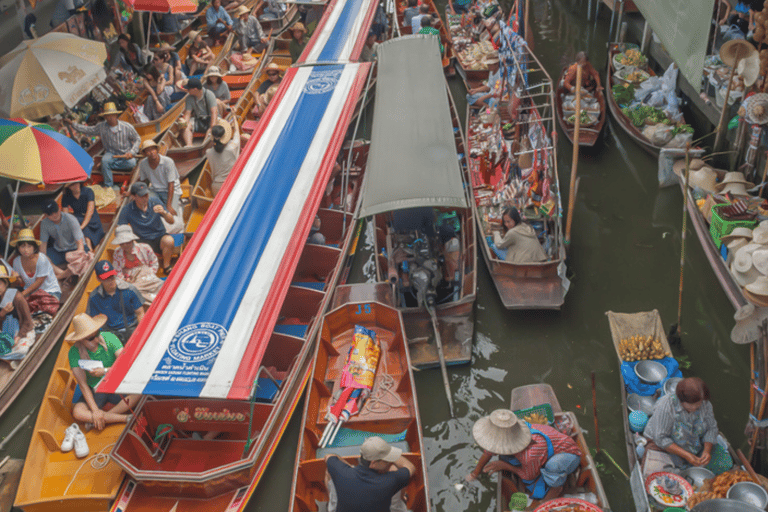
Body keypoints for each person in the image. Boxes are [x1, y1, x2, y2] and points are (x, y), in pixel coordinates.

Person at [466, 409, 582, 501]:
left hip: (568, 455)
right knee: (520, 461)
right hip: (543, 451)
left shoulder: (530, 453)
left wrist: (504, 465)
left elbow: (528, 476)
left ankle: (557, 488)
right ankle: (540, 462)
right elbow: (488, 451)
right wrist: (475, 473)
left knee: (552, 466)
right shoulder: (512, 430)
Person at [66, 312, 140, 432]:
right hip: (95, 388)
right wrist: (95, 410)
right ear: (80, 340)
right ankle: (124, 418)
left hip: (115, 381)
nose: (96, 339)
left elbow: (126, 366)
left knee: (139, 392)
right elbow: (83, 385)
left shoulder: (109, 338)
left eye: (97, 334)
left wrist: (105, 371)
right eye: (90, 338)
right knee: (78, 412)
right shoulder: (74, 353)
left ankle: (104, 418)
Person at [644, 377, 731, 471]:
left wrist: (706, 451)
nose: (698, 406)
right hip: (663, 447)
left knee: (724, 463)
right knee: (659, 473)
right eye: (693, 404)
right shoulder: (666, 406)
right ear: (681, 401)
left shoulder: (705, 404)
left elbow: (712, 428)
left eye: (700, 403)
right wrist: (686, 455)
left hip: (693, 443)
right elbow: (661, 438)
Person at [324, 436, 414, 512]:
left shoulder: (342, 473)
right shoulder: (390, 481)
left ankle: (331, 503)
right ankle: (402, 500)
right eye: (386, 461)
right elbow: (410, 467)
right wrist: (394, 457)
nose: (388, 463)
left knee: (329, 471)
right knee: (394, 469)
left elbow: (329, 457)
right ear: (373, 463)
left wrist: (349, 468)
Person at [64, 102, 140, 189]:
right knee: (105, 160)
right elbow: (88, 130)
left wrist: (132, 152)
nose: (110, 118)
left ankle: (106, 166)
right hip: (111, 154)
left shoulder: (126, 127)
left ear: (116, 115)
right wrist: (72, 124)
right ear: (105, 117)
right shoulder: (102, 126)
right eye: (108, 116)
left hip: (125, 154)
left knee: (132, 163)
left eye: (112, 115)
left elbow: (137, 139)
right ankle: (109, 186)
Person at [119, 183, 176, 273]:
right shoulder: (127, 210)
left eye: (146, 195)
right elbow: (121, 229)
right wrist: (131, 240)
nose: (145, 198)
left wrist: (164, 212)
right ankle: (142, 270)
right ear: (134, 196)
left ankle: (166, 266)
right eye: (142, 196)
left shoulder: (155, 201)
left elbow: (171, 221)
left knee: (169, 241)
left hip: (159, 237)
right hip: (141, 240)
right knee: (130, 246)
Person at [87, 261, 144, 342]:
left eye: (112, 276)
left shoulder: (129, 289)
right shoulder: (94, 297)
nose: (110, 280)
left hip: (133, 328)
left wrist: (141, 333)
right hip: (110, 334)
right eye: (106, 278)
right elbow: (92, 321)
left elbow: (140, 313)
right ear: (98, 279)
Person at [111, 225, 163, 304]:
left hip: (147, 276)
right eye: (122, 243)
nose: (125, 245)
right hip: (129, 280)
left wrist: (149, 273)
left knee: (162, 287)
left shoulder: (145, 248)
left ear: (132, 240)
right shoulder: (117, 252)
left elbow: (154, 262)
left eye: (127, 242)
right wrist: (125, 280)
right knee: (132, 291)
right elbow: (117, 271)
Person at [39, 200, 87, 278]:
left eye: (56, 211)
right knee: (42, 260)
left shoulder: (70, 219)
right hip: (59, 250)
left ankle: (59, 277)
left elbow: (80, 244)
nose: (54, 215)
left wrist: (78, 256)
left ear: (59, 208)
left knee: (83, 259)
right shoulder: (44, 224)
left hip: (75, 248)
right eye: (50, 214)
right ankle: (65, 274)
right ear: (45, 215)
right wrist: (43, 258)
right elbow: (43, 247)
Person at [11, 229, 62, 301]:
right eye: (22, 246)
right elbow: (21, 282)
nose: (26, 250)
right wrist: (16, 278)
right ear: (18, 248)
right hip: (31, 293)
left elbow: (38, 282)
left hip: (49, 292)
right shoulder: (16, 261)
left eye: (29, 246)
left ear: (34, 247)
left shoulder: (42, 259)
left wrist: (21, 295)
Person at [138, 140, 183, 217]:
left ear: (156, 150)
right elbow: (143, 182)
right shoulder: (143, 164)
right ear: (145, 154)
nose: (151, 152)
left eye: (153, 149)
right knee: (148, 209)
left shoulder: (168, 161)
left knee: (170, 215)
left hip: (172, 190)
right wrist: (136, 193)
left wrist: (169, 205)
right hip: (155, 190)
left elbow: (171, 184)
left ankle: (169, 205)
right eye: (148, 151)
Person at [0, 263, 35, 352]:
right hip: (5, 330)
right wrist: (2, 313)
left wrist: (18, 337)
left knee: (21, 350)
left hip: (23, 329)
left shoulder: (17, 297)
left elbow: (28, 321)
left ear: (5, 282)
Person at [62, 182, 105, 251]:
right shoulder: (66, 195)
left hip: (92, 218)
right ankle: (88, 247)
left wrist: (81, 227)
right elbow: (65, 214)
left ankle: (90, 246)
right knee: (78, 225)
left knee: (83, 228)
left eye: (76, 183)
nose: (75, 185)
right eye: (72, 184)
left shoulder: (88, 191)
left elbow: (90, 212)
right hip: (78, 218)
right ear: (68, 187)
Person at [180, 77, 218, 147]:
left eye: (189, 89)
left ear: (195, 89)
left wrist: (212, 126)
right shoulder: (189, 98)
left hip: (210, 119)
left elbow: (214, 113)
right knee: (186, 126)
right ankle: (189, 145)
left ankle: (204, 145)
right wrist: (185, 123)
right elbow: (188, 114)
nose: (187, 90)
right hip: (199, 120)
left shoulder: (209, 94)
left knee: (213, 128)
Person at [207, 119, 241, 195]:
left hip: (216, 186)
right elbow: (236, 132)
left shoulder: (208, 152)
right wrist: (234, 117)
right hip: (232, 184)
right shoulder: (232, 147)